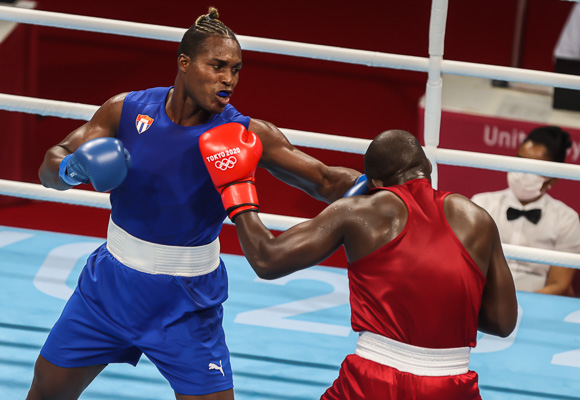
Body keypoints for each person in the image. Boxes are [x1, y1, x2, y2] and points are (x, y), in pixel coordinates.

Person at [28, 8, 362, 400]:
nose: (228, 80)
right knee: (44, 394)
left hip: (187, 303)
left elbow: (324, 180)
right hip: (108, 291)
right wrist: (72, 168)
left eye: (236, 70)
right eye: (217, 66)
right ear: (184, 63)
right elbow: (51, 164)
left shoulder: (243, 133)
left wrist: (386, 187)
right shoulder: (126, 110)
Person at [201, 126, 518, 399]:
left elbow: (267, 259)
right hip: (452, 383)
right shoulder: (478, 218)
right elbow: (503, 323)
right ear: (427, 169)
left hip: (375, 380)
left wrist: (236, 188)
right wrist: (436, 302)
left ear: (376, 183)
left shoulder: (360, 212)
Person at [472, 126, 580, 296]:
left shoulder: (567, 220)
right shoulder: (481, 204)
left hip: (538, 303)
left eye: (534, 166)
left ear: (553, 178)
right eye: (521, 160)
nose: (522, 172)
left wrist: (521, 306)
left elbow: (559, 284)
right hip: (483, 298)